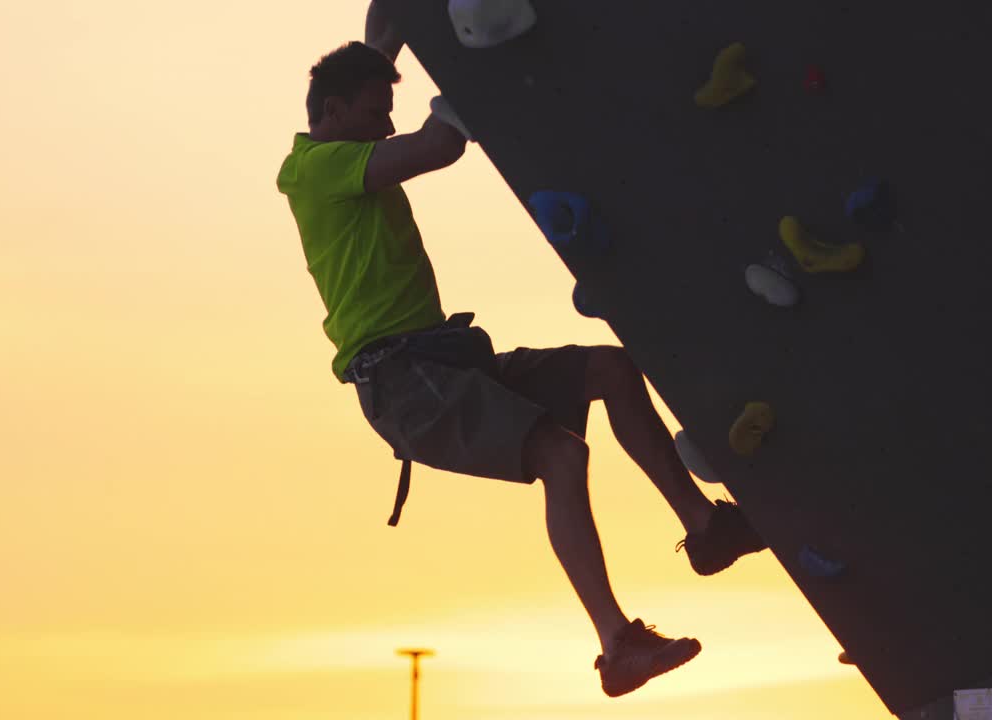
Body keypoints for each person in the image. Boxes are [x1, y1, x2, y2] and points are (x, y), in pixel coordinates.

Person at [275, 1, 767, 698]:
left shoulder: (345, 134)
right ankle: (615, 644)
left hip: (445, 361)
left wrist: (404, 37)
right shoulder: (315, 167)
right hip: (403, 382)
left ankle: (704, 529)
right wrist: (474, 66)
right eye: (377, 109)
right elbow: (438, 146)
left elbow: (385, 20)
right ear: (333, 109)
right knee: (561, 455)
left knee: (611, 369)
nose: (387, 121)